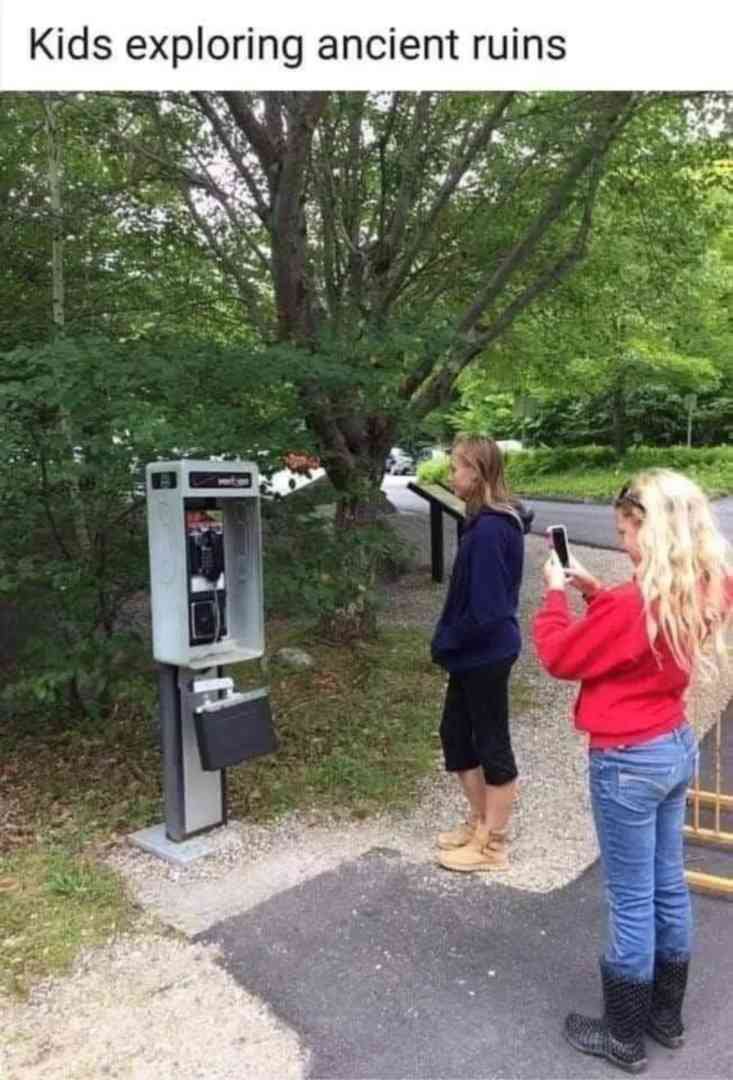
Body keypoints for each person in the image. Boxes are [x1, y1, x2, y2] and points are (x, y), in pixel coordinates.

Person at [533, 469, 731, 1074]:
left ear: (654, 527)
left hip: (626, 759)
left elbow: (560, 656)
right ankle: (664, 1017)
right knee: (668, 882)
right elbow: (638, 640)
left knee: (629, 899)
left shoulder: (631, 604)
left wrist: (555, 595)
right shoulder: (710, 583)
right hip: (674, 744)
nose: (622, 543)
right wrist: (597, 591)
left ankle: (621, 1035)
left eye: (627, 530)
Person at [431, 436, 533, 872]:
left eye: (456, 467)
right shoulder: (480, 521)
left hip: (485, 653)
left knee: (491, 743)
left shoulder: (492, 528)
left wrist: (449, 640)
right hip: (471, 653)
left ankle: (494, 846)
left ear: (476, 471)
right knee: (455, 736)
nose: (450, 475)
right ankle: (479, 823)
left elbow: (487, 610)